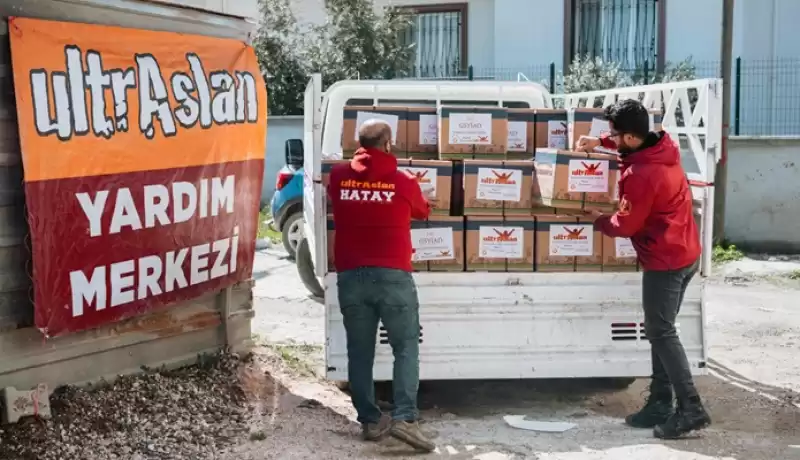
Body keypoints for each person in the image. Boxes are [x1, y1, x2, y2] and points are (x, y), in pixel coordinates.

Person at [576, 99, 712, 439]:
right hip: (685, 251)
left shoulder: (641, 175)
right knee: (661, 331)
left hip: (664, 260)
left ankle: (691, 408)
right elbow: (631, 144)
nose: (612, 139)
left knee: (661, 332)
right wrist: (599, 144)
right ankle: (660, 403)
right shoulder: (664, 147)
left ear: (632, 138)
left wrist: (598, 221)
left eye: (614, 135)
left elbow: (625, 225)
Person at [327, 119, 435, 452]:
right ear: (388, 145)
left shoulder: (338, 175)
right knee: (405, 347)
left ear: (360, 144)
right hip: (393, 276)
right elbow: (423, 212)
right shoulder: (403, 181)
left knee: (360, 352)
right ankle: (404, 419)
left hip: (351, 276)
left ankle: (370, 423)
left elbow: (340, 200)